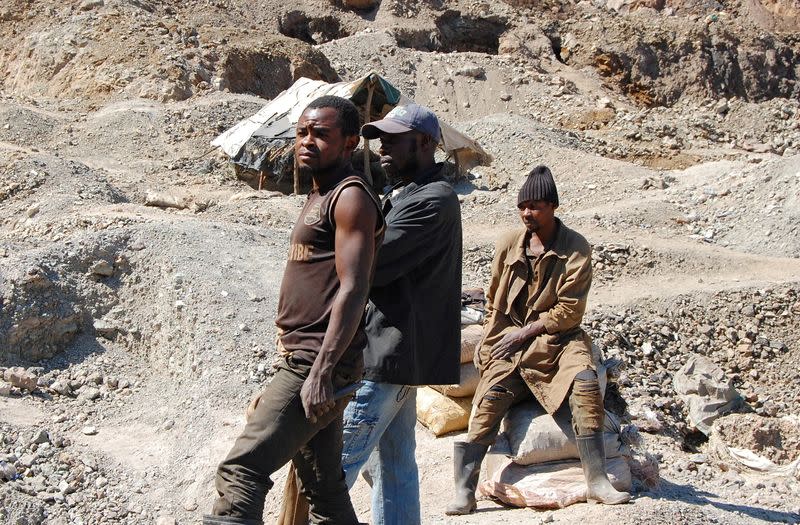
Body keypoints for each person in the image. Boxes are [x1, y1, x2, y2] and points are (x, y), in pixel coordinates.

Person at [204, 95, 384, 525]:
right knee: (323, 488)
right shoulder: (321, 194)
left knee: (241, 470)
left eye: (320, 134)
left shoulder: (350, 197)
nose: (307, 141)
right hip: (307, 358)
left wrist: (320, 371)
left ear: (349, 142)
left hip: (315, 362)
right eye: (302, 132)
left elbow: (354, 288)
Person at [446, 166, 630, 516]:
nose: (528, 213)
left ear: (553, 207)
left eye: (536, 206)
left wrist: (526, 332)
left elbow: (569, 311)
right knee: (487, 404)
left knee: (587, 385)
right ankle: (464, 490)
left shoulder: (575, 248)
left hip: (558, 341)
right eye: (523, 206)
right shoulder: (508, 244)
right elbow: (493, 298)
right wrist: (491, 341)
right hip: (509, 340)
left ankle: (596, 479)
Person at [340, 103, 463, 525]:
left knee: (332, 468)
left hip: (387, 355)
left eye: (393, 140)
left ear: (426, 143)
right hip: (394, 354)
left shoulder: (434, 199)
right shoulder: (407, 194)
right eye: (381, 141)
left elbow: (370, 263)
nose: (382, 149)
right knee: (395, 470)